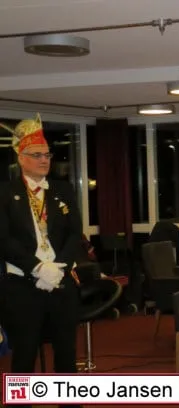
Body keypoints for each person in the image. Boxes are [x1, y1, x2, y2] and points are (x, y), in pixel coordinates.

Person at [0, 114, 82, 408]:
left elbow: (75, 233)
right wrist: (37, 267)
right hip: (23, 285)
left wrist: (59, 268)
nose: (44, 160)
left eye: (47, 155)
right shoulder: (5, 193)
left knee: (66, 353)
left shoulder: (63, 190)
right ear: (21, 158)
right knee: (24, 354)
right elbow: (3, 239)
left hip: (61, 281)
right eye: (37, 155)